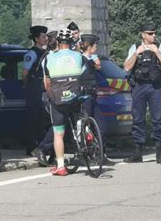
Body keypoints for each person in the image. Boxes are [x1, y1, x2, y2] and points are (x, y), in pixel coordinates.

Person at [123, 24, 161, 163]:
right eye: (150, 33)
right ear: (143, 35)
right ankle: (138, 152)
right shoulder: (135, 46)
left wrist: (157, 52)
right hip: (139, 86)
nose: (153, 35)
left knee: (158, 118)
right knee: (138, 119)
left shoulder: (159, 47)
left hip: (155, 86)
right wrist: (135, 53)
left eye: (154, 33)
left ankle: (159, 152)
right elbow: (126, 67)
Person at [44, 29, 84, 176]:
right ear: (71, 43)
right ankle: (85, 131)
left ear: (58, 42)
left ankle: (60, 166)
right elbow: (84, 73)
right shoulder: (79, 55)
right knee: (78, 116)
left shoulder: (49, 58)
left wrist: (51, 96)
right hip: (75, 96)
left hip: (58, 98)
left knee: (58, 133)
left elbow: (47, 82)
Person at [79, 34, 113, 165]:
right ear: (90, 46)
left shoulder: (92, 58)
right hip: (83, 97)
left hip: (93, 95)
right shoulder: (80, 59)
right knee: (85, 126)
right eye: (95, 45)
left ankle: (100, 154)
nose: (96, 47)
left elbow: (98, 68)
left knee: (101, 126)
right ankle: (85, 155)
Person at [31, 30, 59, 166]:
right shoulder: (48, 57)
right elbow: (47, 79)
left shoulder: (53, 56)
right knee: (58, 124)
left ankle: (54, 155)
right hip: (50, 94)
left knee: (60, 125)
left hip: (60, 93)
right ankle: (42, 149)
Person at [23, 25, 49, 156]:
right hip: (33, 89)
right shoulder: (32, 53)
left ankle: (41, 146)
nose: (46, 39)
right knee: (32, 119)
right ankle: (31, 146)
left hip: (41, 88)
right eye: (43, 37)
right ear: (37, 39)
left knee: (41, 119)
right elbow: (25, 73)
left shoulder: (45, 53)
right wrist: (28, 85)